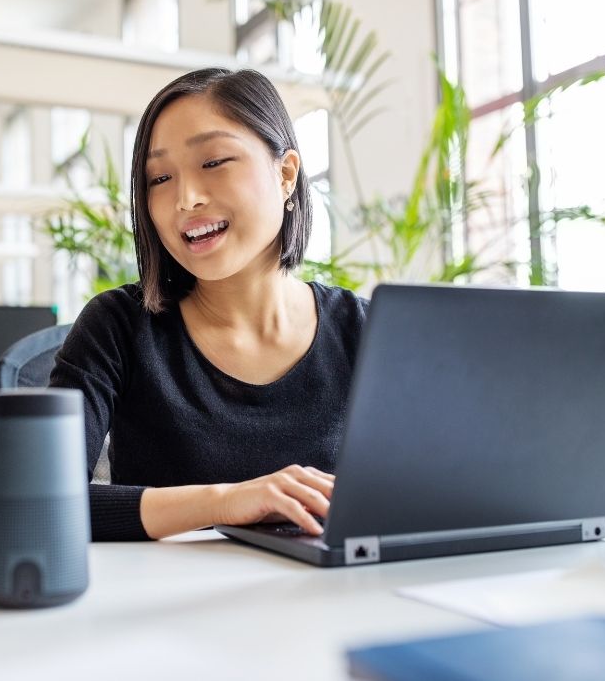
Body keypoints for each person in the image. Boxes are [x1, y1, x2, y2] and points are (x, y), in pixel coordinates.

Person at [50, 67, 369, 541]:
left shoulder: (364, 330)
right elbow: (41, 501)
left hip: (346, 602)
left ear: (285, 174)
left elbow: (437, 484)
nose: (186, 199)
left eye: (214, 162)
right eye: (159, 177)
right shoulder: (116, 327)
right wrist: (226, 502)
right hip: (172, 608)